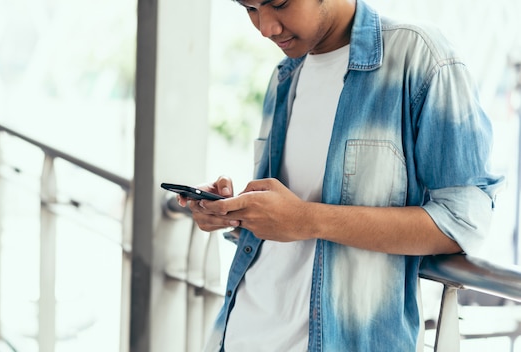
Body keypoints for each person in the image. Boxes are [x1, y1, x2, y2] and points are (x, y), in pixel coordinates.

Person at [178, 0, 503, 351]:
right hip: (240, 333)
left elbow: (462, 221)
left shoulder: (420, 57)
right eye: (251, 8)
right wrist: (233, 211)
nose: (265, 27)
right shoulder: (285, 76)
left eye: (279, 4)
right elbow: (289, 223)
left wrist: (308, 219)